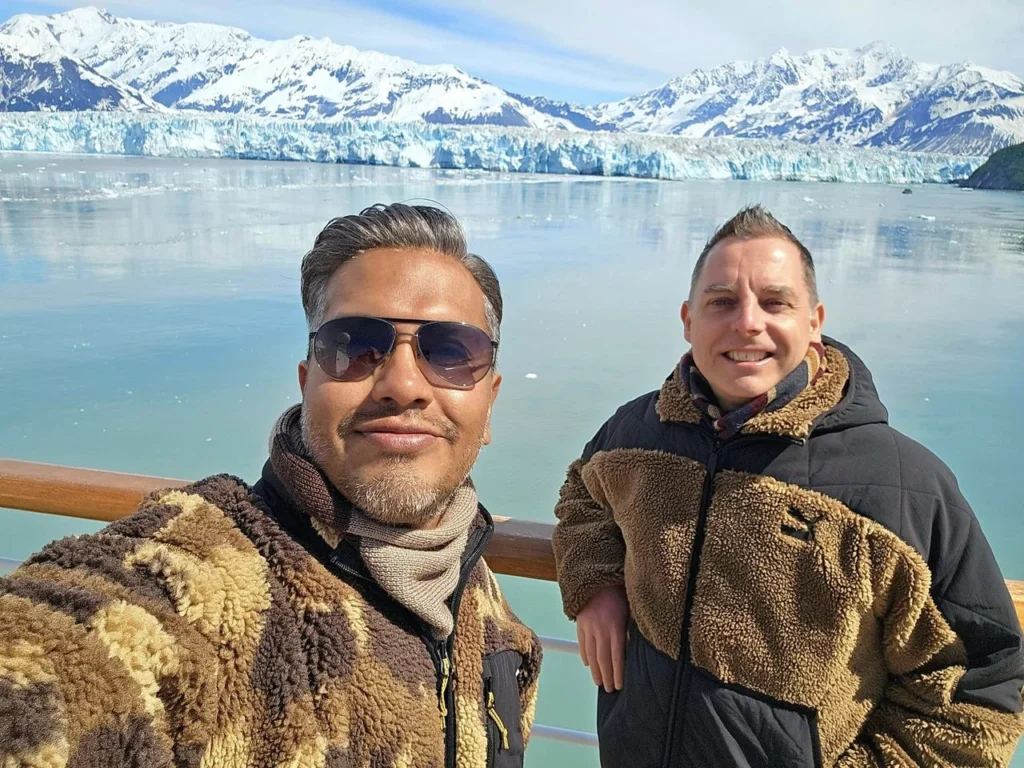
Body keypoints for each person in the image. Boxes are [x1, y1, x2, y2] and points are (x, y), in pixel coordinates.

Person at [0, 203, 541, 768]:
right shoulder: (212, 588)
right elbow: (62, 662)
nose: (403, 385)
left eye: (452, 352)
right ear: (308, 383)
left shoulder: (486, 605)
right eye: (355, 345)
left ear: (490, 402)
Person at [552, 204, 1024, 767]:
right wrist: (595, 584)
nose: (747, 322)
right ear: (687, 319)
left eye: (775, 302)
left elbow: (981, 691)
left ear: (814, 320)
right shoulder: (636, 432)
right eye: (721, 301)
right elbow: (583, 495)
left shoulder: (902, 487)